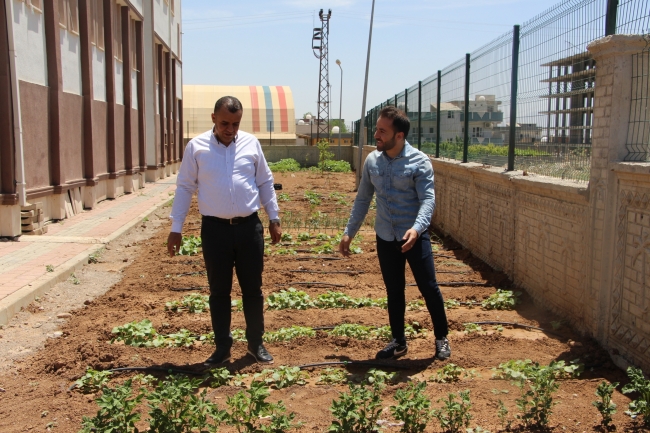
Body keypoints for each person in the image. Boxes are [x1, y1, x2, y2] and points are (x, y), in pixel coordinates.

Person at [167, 96, 282, 365]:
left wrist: (273, 217)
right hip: (215, 231)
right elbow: (185, 187)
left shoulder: (251, 143)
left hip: (249, 229)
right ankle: (222, 347)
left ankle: (255, 344)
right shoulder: (197, 147)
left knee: (253, 290)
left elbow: (265, 181)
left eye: (235, 124)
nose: (230, 129)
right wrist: (176, 227)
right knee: (219, 292)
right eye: (224, 123)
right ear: (213, 119)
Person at [339, 105, 451, 361]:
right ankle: (399, 341)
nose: (376, 135)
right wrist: (349, 232)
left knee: (428, 287)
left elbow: (428, 200)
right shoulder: (372, 161)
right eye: (377, 129)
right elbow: (363, 199)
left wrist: (417, 228)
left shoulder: (420, 162)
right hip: (385, 236)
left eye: (382, 131)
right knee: (394, 290)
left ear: (399, 135)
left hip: (414, 236)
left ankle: (441, 337)